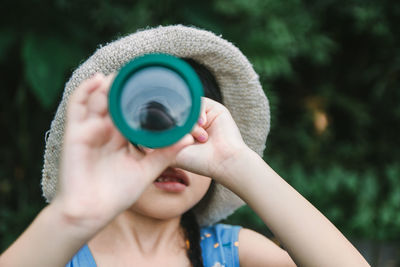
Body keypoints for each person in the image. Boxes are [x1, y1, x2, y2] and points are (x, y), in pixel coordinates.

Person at [0, 25, 369, 267]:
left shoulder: (235, 253)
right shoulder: (55, 253)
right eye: (151, 124)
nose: (173, 148)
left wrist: (236, 162)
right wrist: (73, 216)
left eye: (194, 126)